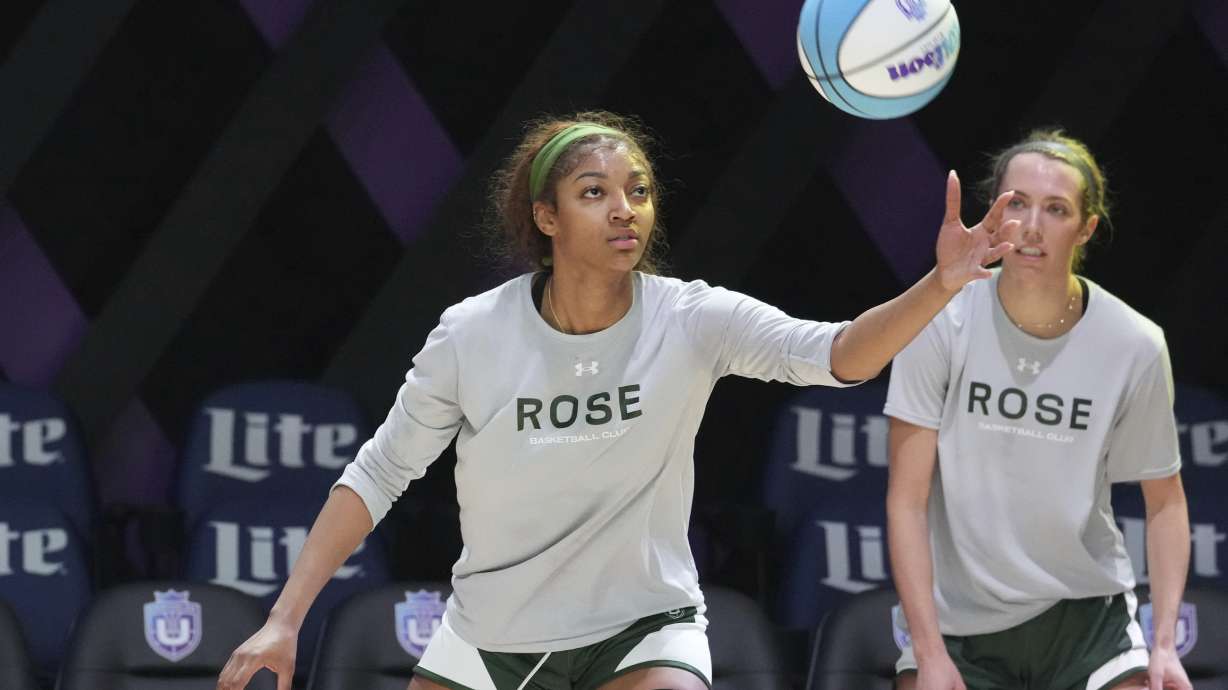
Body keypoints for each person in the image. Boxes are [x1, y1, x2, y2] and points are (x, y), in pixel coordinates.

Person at [216, 110, 1016, 690]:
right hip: (492, 636)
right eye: (594, 192)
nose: (624, 207)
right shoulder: (472, 334)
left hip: (643, 630)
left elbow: (838, 355)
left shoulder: (691, 319)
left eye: (637, 190)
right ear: (547, 217)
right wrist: (285, 618)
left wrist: (941, 284)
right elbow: (378, 474)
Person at [885, 130, 1192, 690]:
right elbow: (907, 499)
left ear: (1086, 228)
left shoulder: (1135, 344)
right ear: (994, 212)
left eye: (1056, 209)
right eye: (1017, 203)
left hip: (1087, 620)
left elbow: (1166, 501)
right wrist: (928, 652)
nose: (1031, 226)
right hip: (958, 622)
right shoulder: (938, 319)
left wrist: (1165, 644)